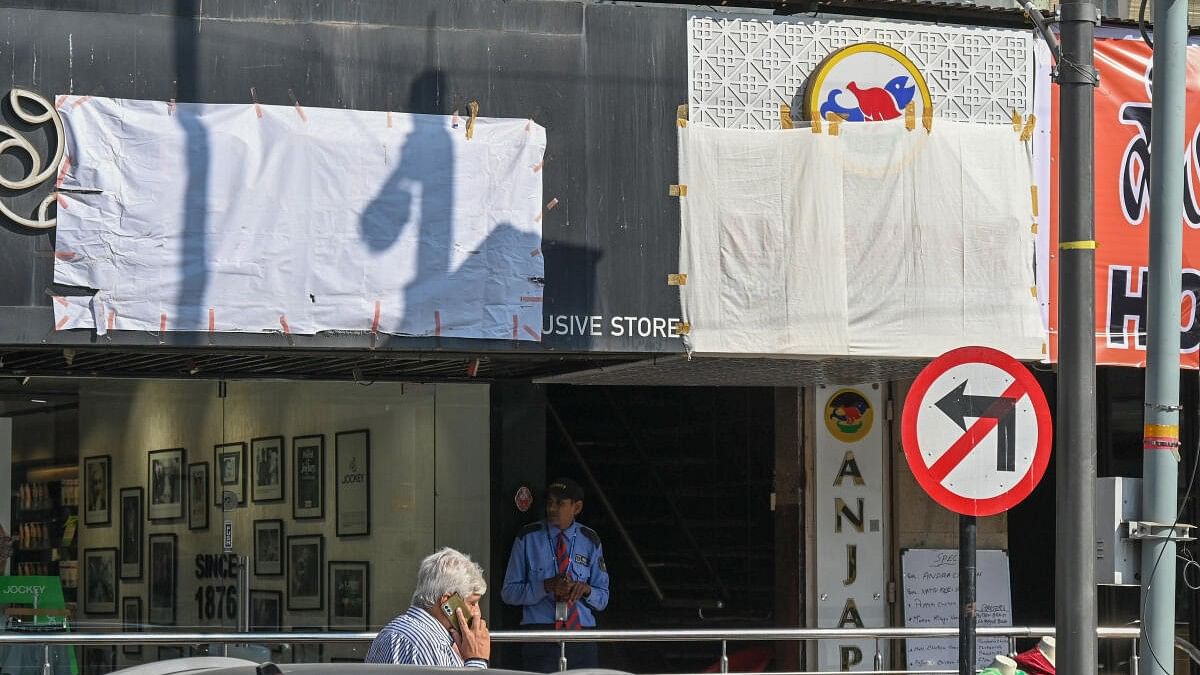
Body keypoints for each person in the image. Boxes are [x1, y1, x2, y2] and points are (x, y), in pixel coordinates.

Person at [502, 478, 610, 672]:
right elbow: (509, 593)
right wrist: (546, 586)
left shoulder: (590, 540)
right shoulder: (527, 537)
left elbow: (603, 598)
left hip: (581, 633)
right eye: (549, 503)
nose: (552, 508)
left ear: (576, 508)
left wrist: (585, 590)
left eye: (560, 503)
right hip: (541, 631)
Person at [365, 547, 491, 667]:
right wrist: (476, 660)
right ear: (447, 602)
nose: (477, 613)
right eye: (472, 603)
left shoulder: (392, 630)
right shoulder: (429, 644)